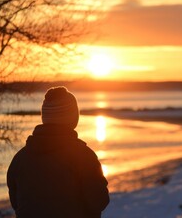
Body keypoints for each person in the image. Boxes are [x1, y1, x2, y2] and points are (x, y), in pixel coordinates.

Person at [7, 86, 109, 218]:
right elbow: (100, 201)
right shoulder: (83, 156)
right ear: (72, 119)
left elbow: (16, 203)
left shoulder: (20, 159)